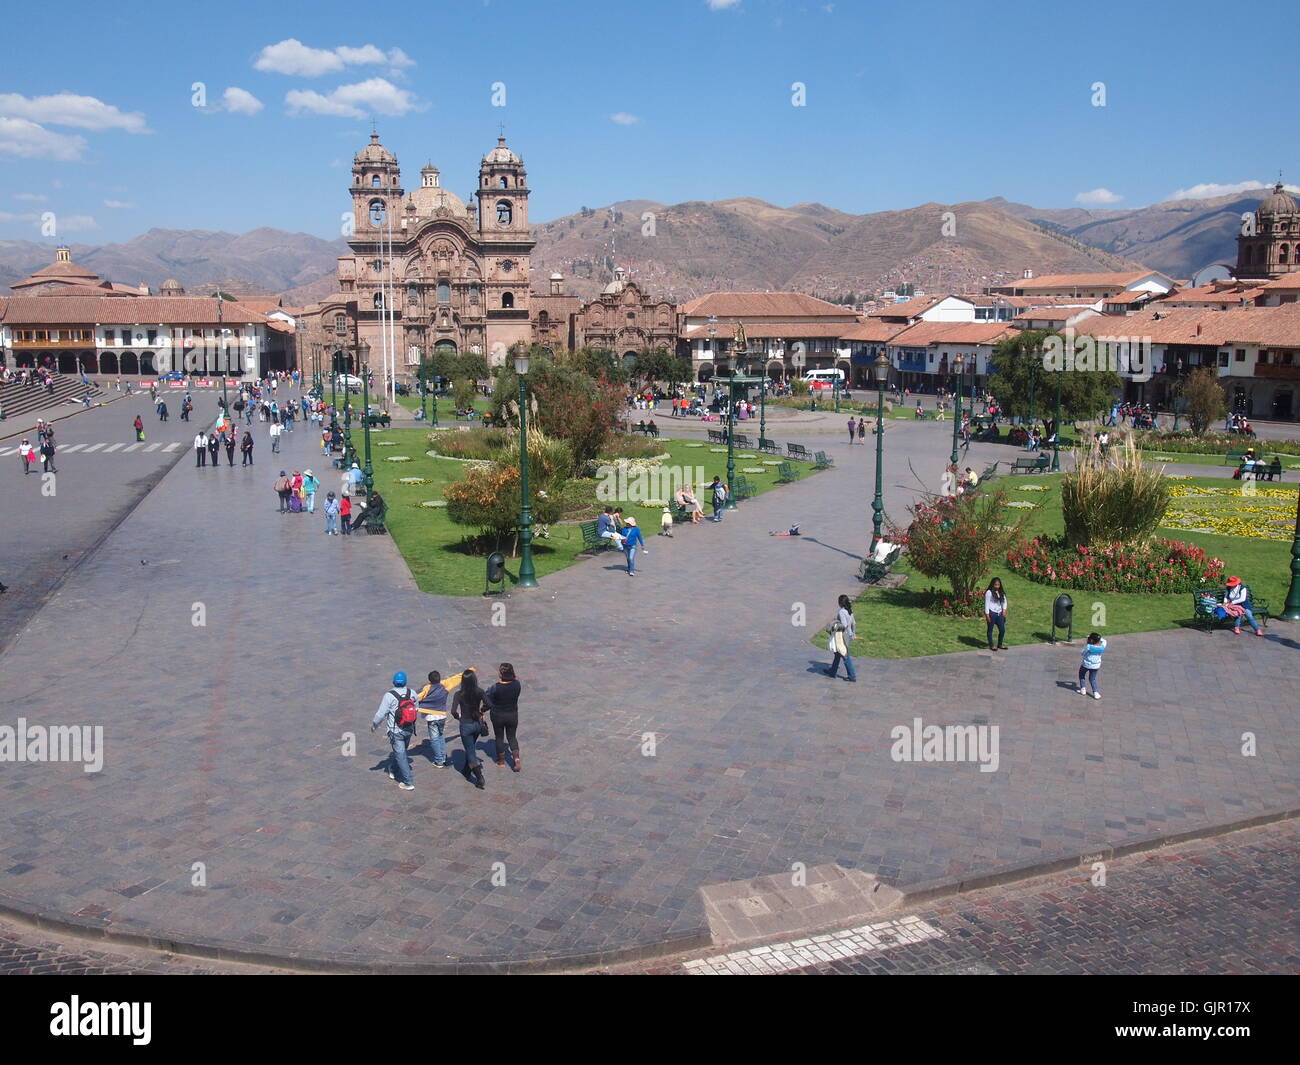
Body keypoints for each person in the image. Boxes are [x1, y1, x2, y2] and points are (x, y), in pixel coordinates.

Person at [370, 670, 418, 790]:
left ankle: (408, 782)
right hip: (409, 728)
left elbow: (380, 714)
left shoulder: (389, 696)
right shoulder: (412, 692)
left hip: (395, 731)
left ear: (394, 682)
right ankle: (393, 768)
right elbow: (416, 708)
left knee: (401, 755)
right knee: (401, 752)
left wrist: (374, 725)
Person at [451, 668, 487, 789]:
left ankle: (479, 777)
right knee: (470, 746)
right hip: (477, 724)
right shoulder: (480, 691)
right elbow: (490, 704)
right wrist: (482, 711)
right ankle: (466, 770)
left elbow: (453, 711)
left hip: (465, 725)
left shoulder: (458, 694)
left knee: (471, 751)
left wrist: (459, 718)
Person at [484, 662, 522, 771]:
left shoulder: (496, 687)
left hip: (498, 716)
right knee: (512, 737)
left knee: (499, 737)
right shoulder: (517, 684)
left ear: (501, 674)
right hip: (512, 715)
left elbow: (487, 697)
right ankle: (516, 759)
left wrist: (482, 710)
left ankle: (501, 761)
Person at [415, 671, 450, 767]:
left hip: (431, 717)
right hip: (442, 716)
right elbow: (455, 679)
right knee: (441, 736)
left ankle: (439, 761)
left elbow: (417, 697)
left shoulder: (427, 688)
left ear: (429, 680)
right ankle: (444, 757)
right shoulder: (445, 686)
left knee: (434, 739)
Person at [825, 594, 857, 682]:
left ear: (840, 602)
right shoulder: (849, 610)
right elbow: (854, 623)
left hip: (842, 637)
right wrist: (853, 633)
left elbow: (844, 625)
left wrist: (835, 623)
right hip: (848, 635)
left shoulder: (842, 612)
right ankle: (832, 672)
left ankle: (852, 676)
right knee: (837, 654)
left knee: (845, 656)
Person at [1077, 633, 1106, 699]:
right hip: (1096, 666)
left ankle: (1083, 690)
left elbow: (1082, 653)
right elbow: (1104, 641)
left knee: (1081, 675)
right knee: (1092, 679)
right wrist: (1098, 638)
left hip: (1086, 665)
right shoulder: (1102, 646)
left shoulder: (1089, 646)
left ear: (1091, 640)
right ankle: (1096, 693)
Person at [984, 577, 1008, 651]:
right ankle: (992, 645)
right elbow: (986, 604)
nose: (997, 586)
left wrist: (1004, 610)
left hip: (999, 613)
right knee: (990, 630)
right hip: (991, 613)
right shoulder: (989, 592)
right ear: (992, 585)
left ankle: (1000, 644)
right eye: (995, 585)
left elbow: (1004, 602)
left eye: (998, 585)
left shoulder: (1001, 592)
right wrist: (987, 615)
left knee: (1002, 630)